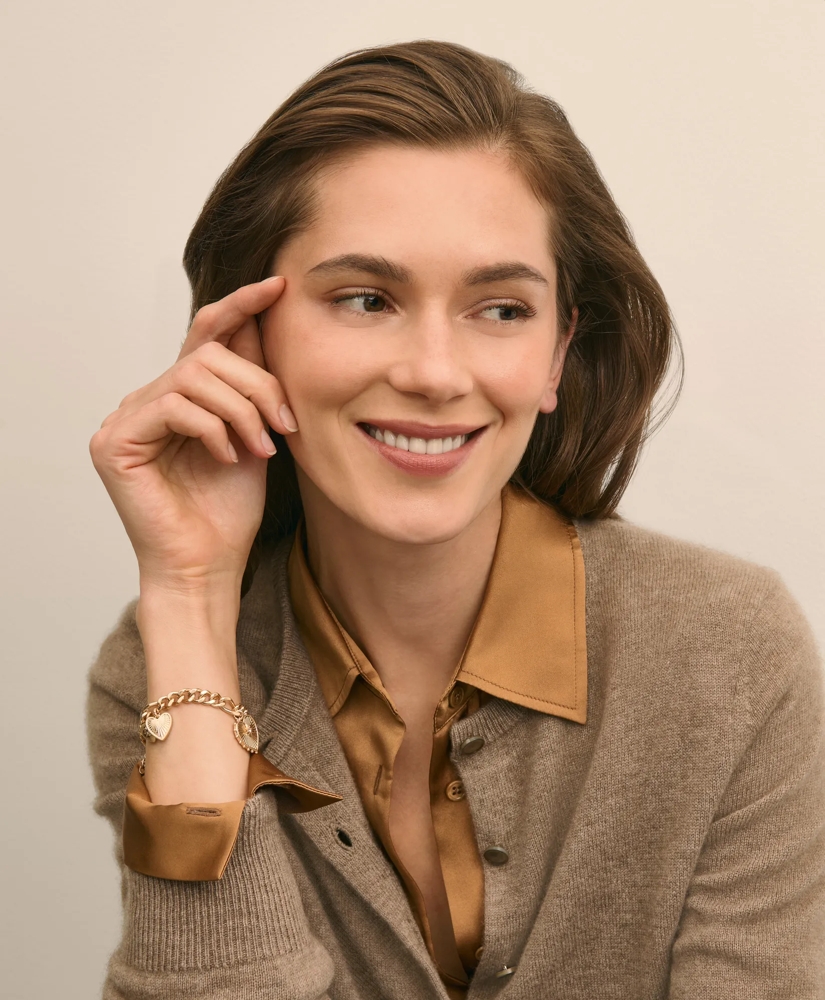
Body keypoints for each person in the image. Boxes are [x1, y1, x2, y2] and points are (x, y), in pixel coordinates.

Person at [86, 40, 825, 999]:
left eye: (501, 309)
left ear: (559, 353)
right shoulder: (157, 672)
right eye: (366, 299)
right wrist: (187, 604)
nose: (436, 373)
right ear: (246, 336)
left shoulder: (728, 651)